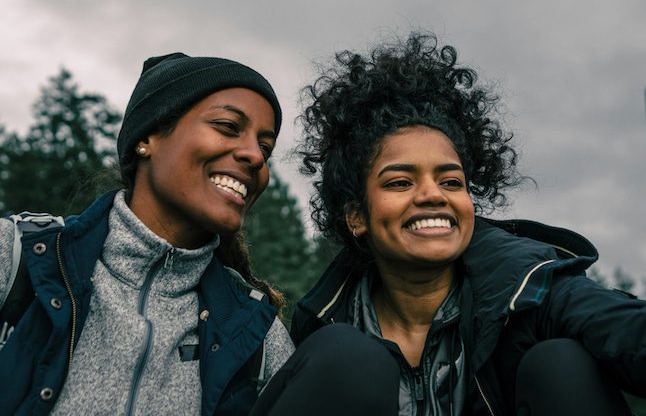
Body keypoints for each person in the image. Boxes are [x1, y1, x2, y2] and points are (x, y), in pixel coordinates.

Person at [291, 31, 646, 415]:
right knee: (341, 356)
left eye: (451, 181)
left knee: (560, 364)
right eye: (399, 182)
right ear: (356, 217)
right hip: (336, 353)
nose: (433, 194)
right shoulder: (320, 327)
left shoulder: (533, 291)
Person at [0, 53, 398, 416]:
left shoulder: (258, 337)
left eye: (265, 146)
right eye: (228, 127)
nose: (256, 156)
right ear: (147, 138)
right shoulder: (15, 259)